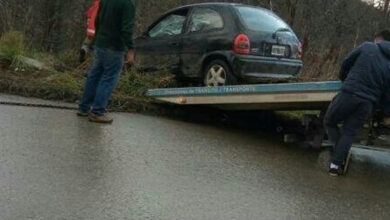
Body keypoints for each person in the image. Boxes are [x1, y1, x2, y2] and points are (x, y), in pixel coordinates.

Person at [325, 29, 390, 176]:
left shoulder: (367, 47)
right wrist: (386, 112)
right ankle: (335, 166)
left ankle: (338, 154)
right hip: (368, 103)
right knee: (349, 132)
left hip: (350, 93)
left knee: (330, 121)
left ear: (378, 39)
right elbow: (388, 93)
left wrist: (344, 79)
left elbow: (346, 62)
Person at [77, 0, 136, 124]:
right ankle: (98, 112)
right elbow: (126, 29)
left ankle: (84, 107)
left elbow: (97, 20)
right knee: (109, 78)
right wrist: (130, 49)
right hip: (114, 46)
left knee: (94, 75)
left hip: (100, 43)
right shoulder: (128, 3)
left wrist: (96, 39)